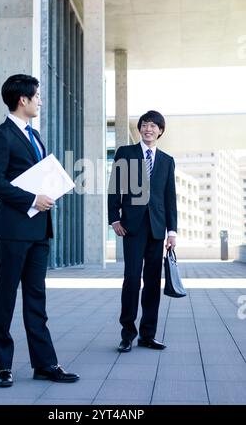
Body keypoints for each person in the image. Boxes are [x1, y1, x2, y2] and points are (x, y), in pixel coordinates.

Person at [0, 74, 79, 386]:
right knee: (6, 297)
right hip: (13, 230)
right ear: (22, 99)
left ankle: (45, 364)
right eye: (37, 96)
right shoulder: (1, 136)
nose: (40, 100)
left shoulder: (35, 136)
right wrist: (32, 198)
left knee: (37, 298)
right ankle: (3, 366)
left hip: (39, 230)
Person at [108, 110, 177, 353]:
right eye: (145, 125)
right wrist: (113, 218)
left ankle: (148, 335)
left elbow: (170, 199)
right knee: (131, 279)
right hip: (132, 227)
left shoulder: (168, 161)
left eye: (153, 126)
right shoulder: (126, 153)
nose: (148, 129)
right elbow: (115, 187)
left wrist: (173, 231)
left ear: (160, 130)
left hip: (157, 229)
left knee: (151, 282)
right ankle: (127, 334)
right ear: (140, 129)